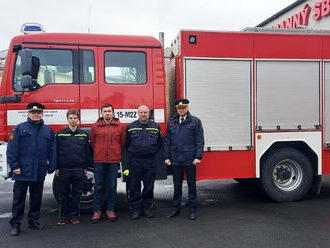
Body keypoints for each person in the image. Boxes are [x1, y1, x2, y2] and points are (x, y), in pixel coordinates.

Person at [6, 102, 56, 236]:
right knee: (19, 199)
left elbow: (52, 150)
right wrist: (14, 166)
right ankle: (15, 224)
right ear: (28, 113)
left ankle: (33, 222)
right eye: (33, 112)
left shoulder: (48, 131)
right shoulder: (19, 129)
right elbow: (12, 149)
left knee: (36, 198)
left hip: (39, 170)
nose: (36, 114)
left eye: (39, 112)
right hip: (22, 170)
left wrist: (52, 165)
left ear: (42, 114)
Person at [164, 99, 204, 220]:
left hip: (190, 159)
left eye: (183, 108)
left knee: (191, 185)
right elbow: (167, 141)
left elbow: (199, 140)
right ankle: (176, 208)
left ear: (187, 108)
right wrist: (166, 157)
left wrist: (198, 156)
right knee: (177, 185)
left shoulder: (195, 121)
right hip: (176, 159)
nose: (181, 110)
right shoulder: (172, 122)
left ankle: (192, 209)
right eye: (179, 108)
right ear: (177, 109)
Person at [55, 109, 92, 226]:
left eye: (75, 118)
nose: (73, 120)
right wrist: (56, 167)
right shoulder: (60, 134)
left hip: (78, 169)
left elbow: (87, 152)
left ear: (78, 119)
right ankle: (63, 217)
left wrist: (85, 167)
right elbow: (55, 152)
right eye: (71, 118)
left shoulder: (83, 134)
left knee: (77, 194)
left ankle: (75, 216)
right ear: (67, 119)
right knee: (63, 193)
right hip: (64, 169)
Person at [90, 103, 126, 223]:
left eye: (109, 111)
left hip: (113, 161)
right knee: (98, 186)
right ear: (101, 113)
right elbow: (92, 143)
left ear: (113, 112)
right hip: (99, 160)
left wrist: (115, 153)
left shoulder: (119, 127)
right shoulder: (95, 127)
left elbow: (122, 143)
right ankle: (97, 211)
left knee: (111, 186)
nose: (107, 113)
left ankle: (110, 210)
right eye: (105, 111)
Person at [126, 105, 163, 220]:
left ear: (149, 113)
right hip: (135, 160)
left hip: (150, 160)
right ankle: (136, 209)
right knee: (134, 185)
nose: (143, 114)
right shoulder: (131, 127)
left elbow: (159, 143)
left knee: (149, 186)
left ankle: (147, 208)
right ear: (138, 113)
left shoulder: (155, 127)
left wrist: (151, 152)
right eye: (141, 112)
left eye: (145, 112)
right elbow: (127, 143)